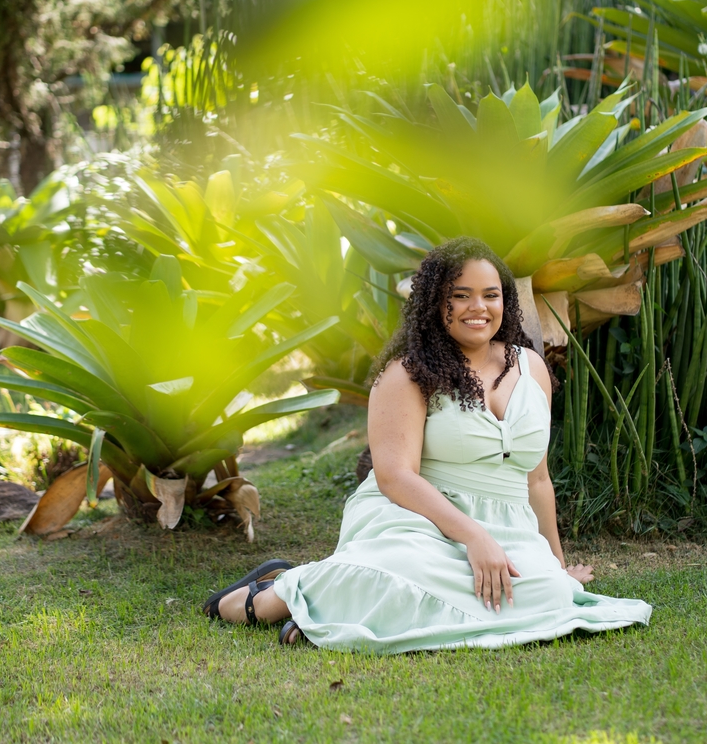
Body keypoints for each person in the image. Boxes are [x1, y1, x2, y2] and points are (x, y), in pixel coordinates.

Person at [204, 237, 651, 652]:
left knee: (551, 595)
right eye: (461, 295)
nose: (478, 307)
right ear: (437, 302)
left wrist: (556, 564)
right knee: (407, 569)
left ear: (506, 301)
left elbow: (537, 480)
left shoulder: (531, 367)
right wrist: (474, 535)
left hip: (509, 527)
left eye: (491, 295)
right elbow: (395, 476)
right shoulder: (408, 373)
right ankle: (264, 598)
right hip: (418, 518)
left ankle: (346, 603)